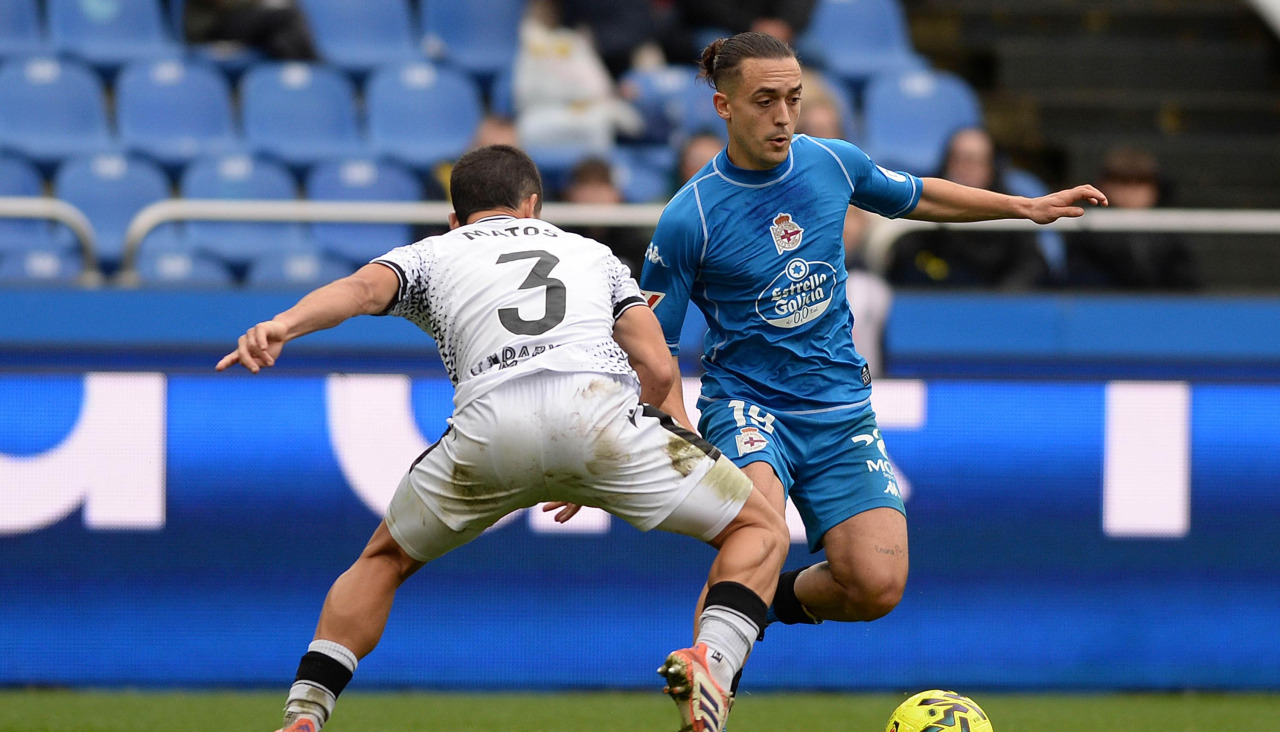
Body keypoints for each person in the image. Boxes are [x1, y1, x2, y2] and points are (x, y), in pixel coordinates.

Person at [217, 145, 789, 732]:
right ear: (533, 206)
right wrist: (617, 456)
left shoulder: (431, 253)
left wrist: (284, 323)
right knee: (760, 527)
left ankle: (307, 712)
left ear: (455, 218)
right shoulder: (592, 254)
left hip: (491, 427)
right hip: (597, 413)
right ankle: (712, 667)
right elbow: (659, 368)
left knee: (383, 560)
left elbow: (361, 291)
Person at [634, 32, 1106, 698]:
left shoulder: (832, 163)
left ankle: (745, 610)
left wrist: (1021, 206)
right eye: (765, 100)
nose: (783, 116)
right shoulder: (692, 216)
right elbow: (654, 345)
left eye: (793, 99)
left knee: (875, 585)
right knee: (760, 528)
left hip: (839, 410)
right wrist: (653, 432)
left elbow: (920, 196)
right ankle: (710, 692)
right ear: (724, 105)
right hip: (747, 405)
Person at [888, 127, 1049, 290]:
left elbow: (1030, 266)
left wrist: (996, 300)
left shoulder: (1012, 210)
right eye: (959, 159)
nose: (967, 167)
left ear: (991, 165)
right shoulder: (925, 207)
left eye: (976, 160)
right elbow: (906, 262)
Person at [1063, 146, 1199, 290]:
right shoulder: (1088, 227)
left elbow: (1188, 282)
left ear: (1156, 188)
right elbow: (1079, 281)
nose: (1131, 193)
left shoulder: (1169, 229)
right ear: (1104, 186)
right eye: (1122, 183)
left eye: (1141, 183)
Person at [560, 157, 650, 276]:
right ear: (570, 192)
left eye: (601, 186)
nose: (593, 196)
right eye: (587, 186)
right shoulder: (560, 243)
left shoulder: (634, 246)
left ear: (617, 194)